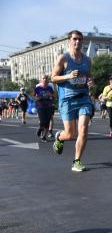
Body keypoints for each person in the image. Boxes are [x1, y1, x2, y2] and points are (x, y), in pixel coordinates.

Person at [51, 30, 96, 172]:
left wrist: (90, 83)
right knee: (70, 134)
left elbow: (89, 76)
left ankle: (77, 161)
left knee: (83, 130)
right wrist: (68, 76)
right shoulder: (63, 59)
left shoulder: (87, 60)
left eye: (80, 39)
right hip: (67, 99)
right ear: (69, 41)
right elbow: (53, 78)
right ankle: (59, 137)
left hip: (83, 98)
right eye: (75, 39)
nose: (78, 42)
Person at [33, 75, 56, 142]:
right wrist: (37, 98)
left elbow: (55, 96)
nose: (45, 79)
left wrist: (50, 95)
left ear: (48, 80)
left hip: (49, 106)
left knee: (48, 122)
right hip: (40, 106)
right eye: (43, 78)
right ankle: (40, 128)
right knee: (42, 121)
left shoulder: (50, 88)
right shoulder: (38, 88)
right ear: (41, 80)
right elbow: (34, 96)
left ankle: (44, 137)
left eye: (46, 78)